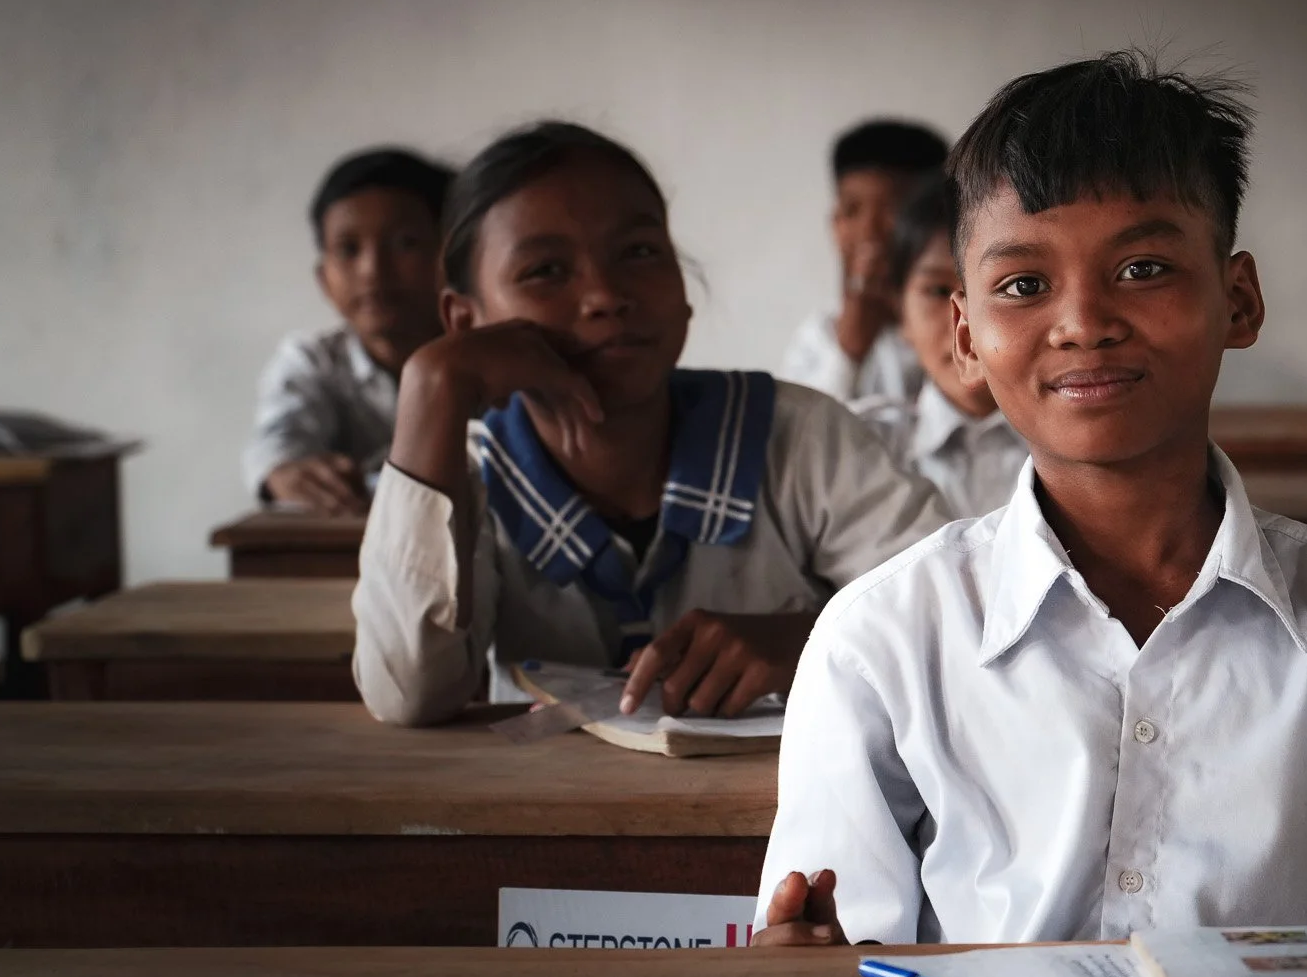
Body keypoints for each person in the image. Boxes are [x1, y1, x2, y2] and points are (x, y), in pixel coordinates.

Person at [754, 52, 1307, 945]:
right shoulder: (879, 642)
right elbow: (846, 967)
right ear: (964, 338)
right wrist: (809, 967)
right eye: (1024, 285)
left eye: (1142, 268)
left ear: (1239, 300)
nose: (1082, 321)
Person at [351, 121, 949, 727]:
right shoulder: (470, 472)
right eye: (546, 271)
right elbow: (409, 692)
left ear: (682, 287)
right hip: (543, 813)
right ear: (465, 320)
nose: (604, 295)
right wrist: (431, 389)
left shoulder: (796, 435)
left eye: (638, 252)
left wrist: (807, 640)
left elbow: (950, 613)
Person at [243, 148, 453, 514]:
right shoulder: (313, 361)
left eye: (406, 243)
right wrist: (285, 473)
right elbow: (278, 443)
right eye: (348, 249)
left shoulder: (490, 357)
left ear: (450, 257)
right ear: (323, 278)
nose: (373, 270)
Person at [848, 177, 1028, 518]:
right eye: (936, 291)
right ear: (900, 312)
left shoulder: (1081, 442)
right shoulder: (863, 447)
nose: (966, 322)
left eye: (1010, 286)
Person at [776, 119, 948, 403]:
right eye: (852, 210)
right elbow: (800, 438)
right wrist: (849, 348)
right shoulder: (817, 339)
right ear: (834, 223)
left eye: (893, 209)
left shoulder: (962, 327)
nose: (869, 232)